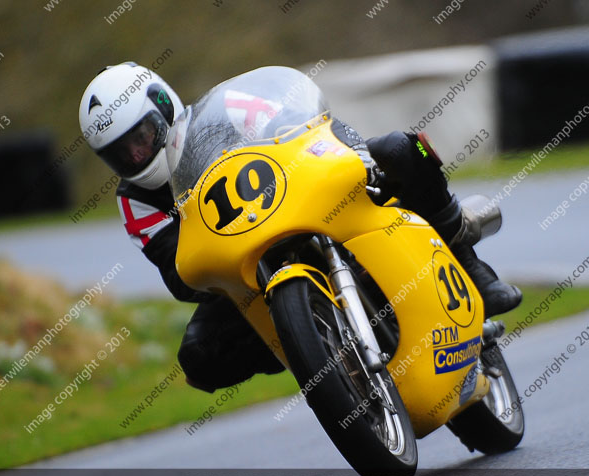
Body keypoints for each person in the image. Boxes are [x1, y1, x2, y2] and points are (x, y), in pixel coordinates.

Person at [78, 62, 521, 393]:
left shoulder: (225, 110)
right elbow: (177, 275)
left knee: (401, 148)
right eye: (122, 154)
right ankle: (314, 347)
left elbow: (315, 126)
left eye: (141, 138)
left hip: (309, 202)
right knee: (198, 358)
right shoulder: (133, 200)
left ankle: (466, 256)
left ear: (163, 107)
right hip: (246, 270)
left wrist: (356, 159)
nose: (136, 157)